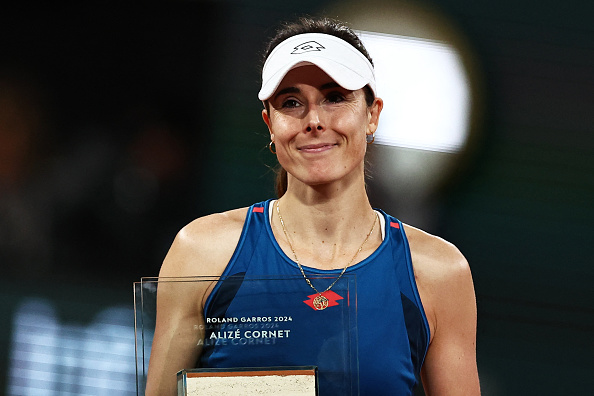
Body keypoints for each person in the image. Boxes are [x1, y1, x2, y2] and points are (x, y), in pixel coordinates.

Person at [146, 17, 480, 396]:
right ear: (270, 124)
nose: (315, 120)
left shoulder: (438, 272)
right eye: (291, 102)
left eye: (334, 97)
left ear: (372, 114)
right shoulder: (201, 252)